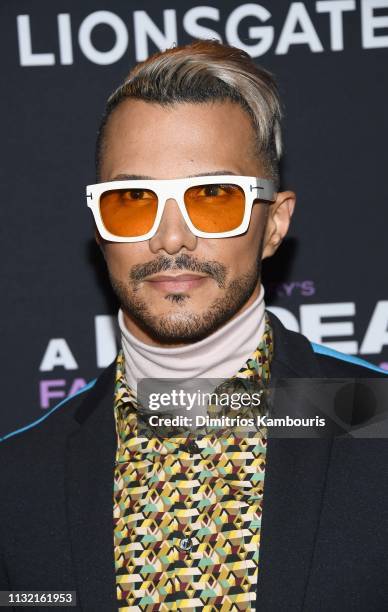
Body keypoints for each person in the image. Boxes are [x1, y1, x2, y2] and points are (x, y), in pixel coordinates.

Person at [1, 40, 387, 612]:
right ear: (100, 224)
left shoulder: (374, 425)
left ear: (275, 224)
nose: (171, 238)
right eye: (133, 199)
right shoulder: (20, 478)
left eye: (212, 197)